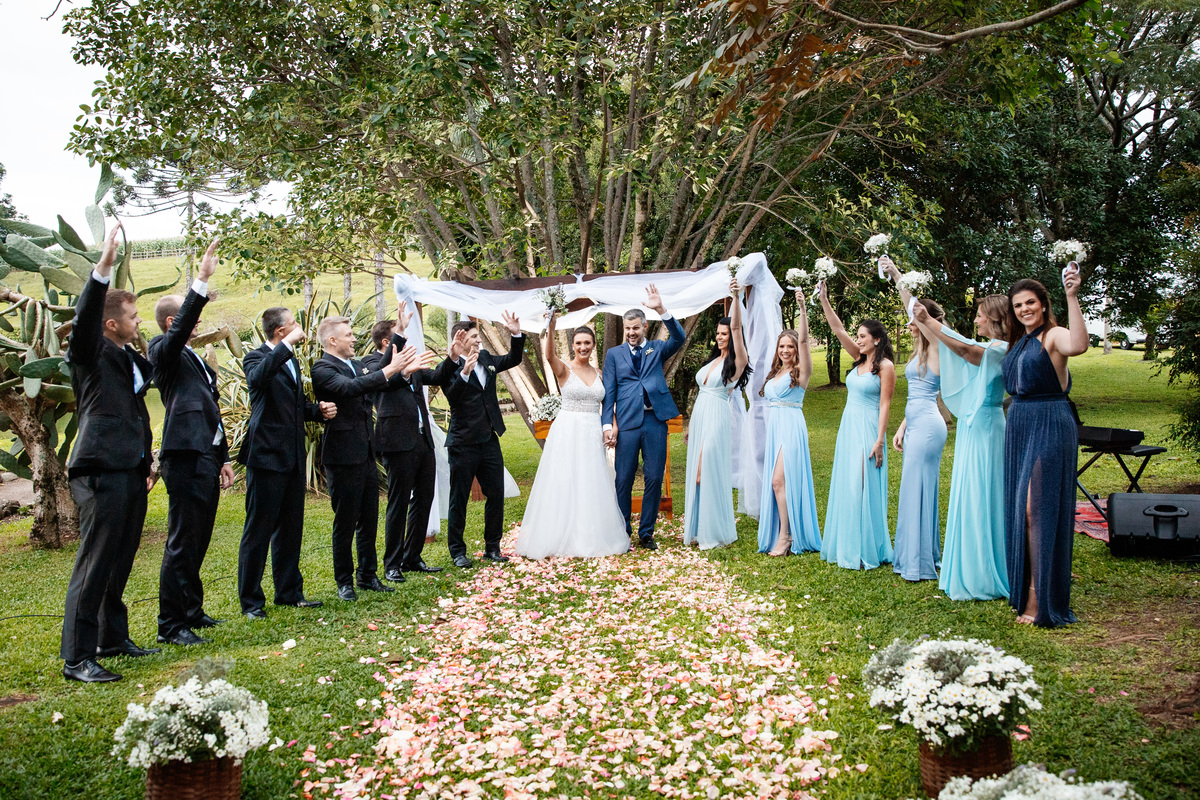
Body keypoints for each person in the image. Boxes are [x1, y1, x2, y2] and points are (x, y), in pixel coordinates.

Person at [59, 224, 158, 683]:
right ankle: (77, 657)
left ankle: (111, 637)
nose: (140, 324)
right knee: (95, 561)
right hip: (98, 468)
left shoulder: (128, 357)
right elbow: (82, 324)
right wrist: (103, 267)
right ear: (110, 323)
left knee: (120, 557)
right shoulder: (90, 351)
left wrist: (147, 461)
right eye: (133, 317)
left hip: (131, 470)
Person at [148, 238, 235, 647]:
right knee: (183, 538)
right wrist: (200, 281)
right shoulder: (161, 350)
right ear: (172, 322)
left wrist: (224, 457)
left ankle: (192, 610)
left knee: (200, 535)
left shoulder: (196, 359)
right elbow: (184, 325)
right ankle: (171, 624)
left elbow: (212, 410)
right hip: (182, 454)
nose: (196, 325)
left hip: (205, 453)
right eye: (187, 320)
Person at [237, 307, 336, 620]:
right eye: (293, 323)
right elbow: (258, 380)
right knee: (258, 530)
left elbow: (288, 406)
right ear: (280, 331)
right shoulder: (256, 358)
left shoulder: (290, 359)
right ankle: (251, 602)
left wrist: (315, 409)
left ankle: (289, 592)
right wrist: (285, 346)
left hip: (292, 456)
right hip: (266, 457)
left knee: (291, 529)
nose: (299, 327)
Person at [911, 294, 1011, 602]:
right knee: (968, 493)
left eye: (981, 315)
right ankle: (968, 565)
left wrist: (928, 320)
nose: (977, 320)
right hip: (972, 425)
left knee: (983, 494)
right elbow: (951, 344)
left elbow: (964, 350)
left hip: (987, 427)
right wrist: (903, 284)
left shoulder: (999, 349)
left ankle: (984, 571)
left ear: (995, 318)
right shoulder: (988, 346)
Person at [1002, 270, 1089, 627]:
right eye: (1018, 305)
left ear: (1043, 304)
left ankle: (1041, 598)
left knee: (1035, 510)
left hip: (1051, 421)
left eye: (1030, 303)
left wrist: (1072, 295)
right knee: (1020, 510)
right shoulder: (1018, 342)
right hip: (1019, 423)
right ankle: (1022, 591)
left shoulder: (1053, 335)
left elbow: (1080, 345)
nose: (1025, 309)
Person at [312, 315, 411, 601]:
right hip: (342, 455)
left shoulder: (355, 365)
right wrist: (389, 370)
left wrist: (400, 334)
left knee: (369, 518)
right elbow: (349, 388)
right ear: (333, 340)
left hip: (366, 452)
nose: (354, 338)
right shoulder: (322, 368)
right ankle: (344, 581)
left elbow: (377, 372)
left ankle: (367, 575)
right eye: (349, 334)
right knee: (346, 521)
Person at [517, 309, 629, 559]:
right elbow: (548, 355)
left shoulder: (600, 374)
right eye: (578, 343)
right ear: (573, 346)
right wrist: (551, 325)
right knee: (566, 478)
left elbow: (607, 404)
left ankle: (589, 534)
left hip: (591, 430)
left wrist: (612, 425)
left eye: (587, 343)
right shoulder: (564, 369)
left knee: (590, 479)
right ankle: (558, 533)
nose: (582, 347)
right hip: (568, 429)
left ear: (593, 345)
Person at [434, 314, 525, 567]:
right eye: (474, 336)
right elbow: (453, 396)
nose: (478, 340)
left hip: (489, 438)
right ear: (460, 339)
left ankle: (492, 548)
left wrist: (516, 334)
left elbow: (513, 358)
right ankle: (457, 551)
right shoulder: (449, 368)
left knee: (496, 493)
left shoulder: (485, 358)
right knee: (459, 497)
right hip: (463, 442)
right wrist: (464, 373)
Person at [818, 282, 895, 570]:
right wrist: (825, 299)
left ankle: (867, 545)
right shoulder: (858, 360)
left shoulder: (885, 367)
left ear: (876, 339)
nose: (858, 340)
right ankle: (846, 542)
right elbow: (838, 330)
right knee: (849, 484)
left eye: (863, 336)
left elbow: (885, 404)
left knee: (864, 484)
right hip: (848, 427)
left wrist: (879, 441)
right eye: (858, 336)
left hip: (868, 428)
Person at [602, 285, 686, 550]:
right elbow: (609, 392)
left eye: (635, 327)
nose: (631, 332)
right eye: (627, 328)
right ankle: (623, 529)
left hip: (654, 421)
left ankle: (646, 532)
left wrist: (661, 308)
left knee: (653, 477)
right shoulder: (614, 354)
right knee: (623, 478)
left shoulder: (658, 349)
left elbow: (679, 337)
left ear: (645, 326)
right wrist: (607, 424)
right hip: (626, 423)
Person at [364, 304, 444, 580]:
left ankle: (412, 556)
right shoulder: (372, 364)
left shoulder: (409, 360)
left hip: (422, 439)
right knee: (398, 502)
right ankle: (392, 563)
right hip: (396, 441)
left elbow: (435, 376)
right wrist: (406, 371)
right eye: (400, 336)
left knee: (424, 499)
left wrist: (454, 358)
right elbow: (387, 379)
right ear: (387, 342)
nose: (407, 341)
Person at [882, 258, 947, 582]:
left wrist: (896, 275)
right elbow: (916, 397)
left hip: (930, 428)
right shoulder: (917, 353)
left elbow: (914, 309)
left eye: (915, 320)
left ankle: (918, 562)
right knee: (914, 488)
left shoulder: (937, 347)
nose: (910, 324)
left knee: (917, 488)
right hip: (916, 424)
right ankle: (922, 555)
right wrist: (902, 427)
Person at [683, 278, 750, 550]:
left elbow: (736, 326)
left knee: (705, 471)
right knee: (697, 474)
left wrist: (735, 296)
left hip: (718, 418)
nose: (721, 336)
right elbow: (701, 393)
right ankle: (699, 529)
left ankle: (715, 530)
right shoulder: (712, 361)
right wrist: (690, 425)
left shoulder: (739, 361)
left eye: (725, 333)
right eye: (719, 333)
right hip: (700, 416)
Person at [757, 297, 821, 557]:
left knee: (778, 481)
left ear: (796, 349)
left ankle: (786, 536)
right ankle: (784, 531)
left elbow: (805, 341)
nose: (785, 350)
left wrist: (803, 310)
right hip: (775, 429)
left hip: (792, 427)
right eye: (782, 346)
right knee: (778, 483)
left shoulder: (801, 372)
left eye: (790, 346)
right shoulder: (775, 374)